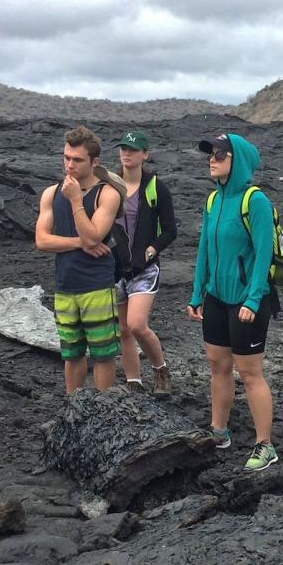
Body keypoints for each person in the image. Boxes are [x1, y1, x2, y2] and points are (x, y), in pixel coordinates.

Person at [187, 133, 277, 472]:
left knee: (250, 372)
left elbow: (263, 253)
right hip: (216, 297)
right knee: (217, 365)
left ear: (236, 160)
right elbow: (204, 251)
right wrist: (198, 293)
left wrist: (253, 299)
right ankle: (219, 432)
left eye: (220, 154)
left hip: (247, 300)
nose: (212, 158)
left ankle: (265, 445)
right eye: (210, 153)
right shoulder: (213, 200)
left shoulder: (255, 201)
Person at [35, 126, 121, 395]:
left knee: (103, 354)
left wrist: (75, 201)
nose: (70, 165)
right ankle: (73, 408)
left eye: (77, 160)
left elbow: (94, 236)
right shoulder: (51, 193)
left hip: (96, 286)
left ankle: (103, 412)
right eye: (66, 158)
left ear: (94, 162)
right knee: (71, 354)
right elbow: (42, 240)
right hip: (65, 286)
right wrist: (79, 244)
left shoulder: (108, 194)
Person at [113, 130, 177, 396]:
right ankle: (133, 382)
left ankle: (160, 369)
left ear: (145, 154)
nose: (127, 153)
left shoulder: (155, 187)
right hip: (115, 268)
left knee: (137, 324)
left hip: (145, 268)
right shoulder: (110, 185)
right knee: (123, 330)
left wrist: (152, 249)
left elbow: (171, 230)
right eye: (124, 148)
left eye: (134, 149)